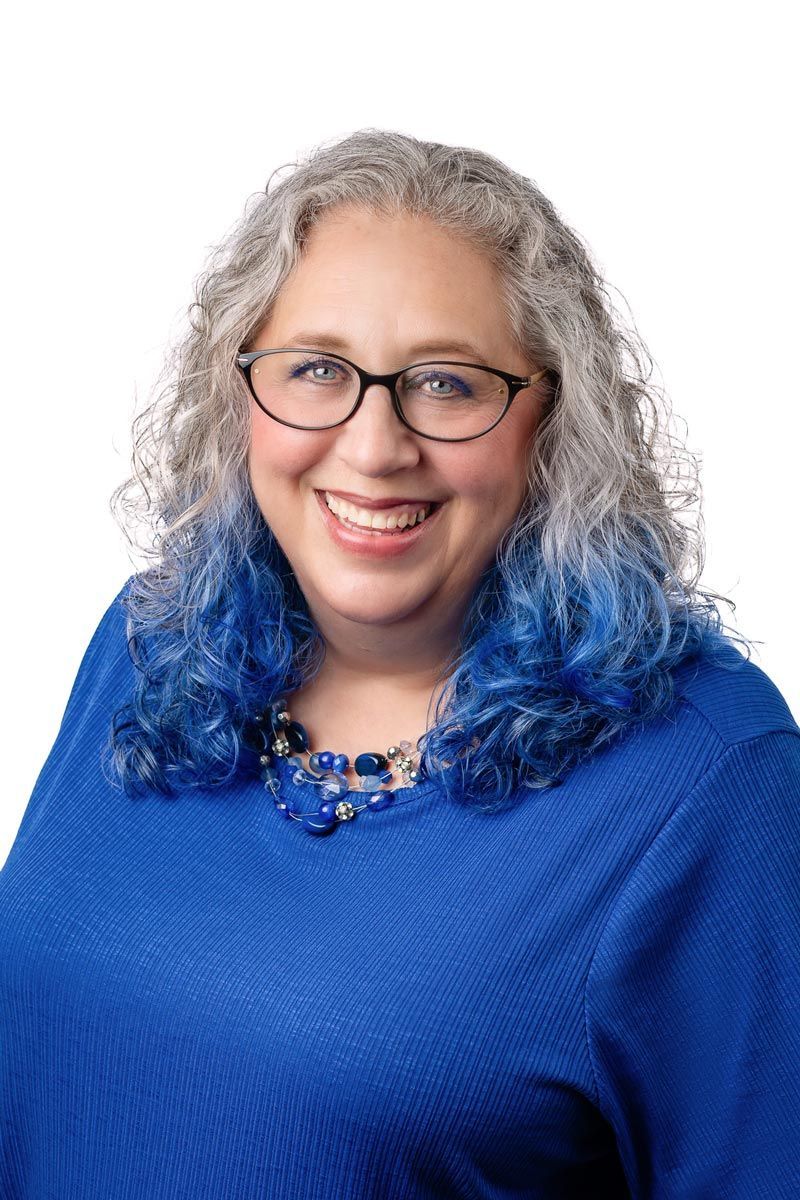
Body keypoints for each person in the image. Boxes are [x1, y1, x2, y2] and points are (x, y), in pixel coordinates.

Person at [1, 128, 798, 1199]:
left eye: (445, 384)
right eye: (317, 369)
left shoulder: (707, 779)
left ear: (549, 420)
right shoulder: (149, 643)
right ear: (239, 395)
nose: (374, 447)